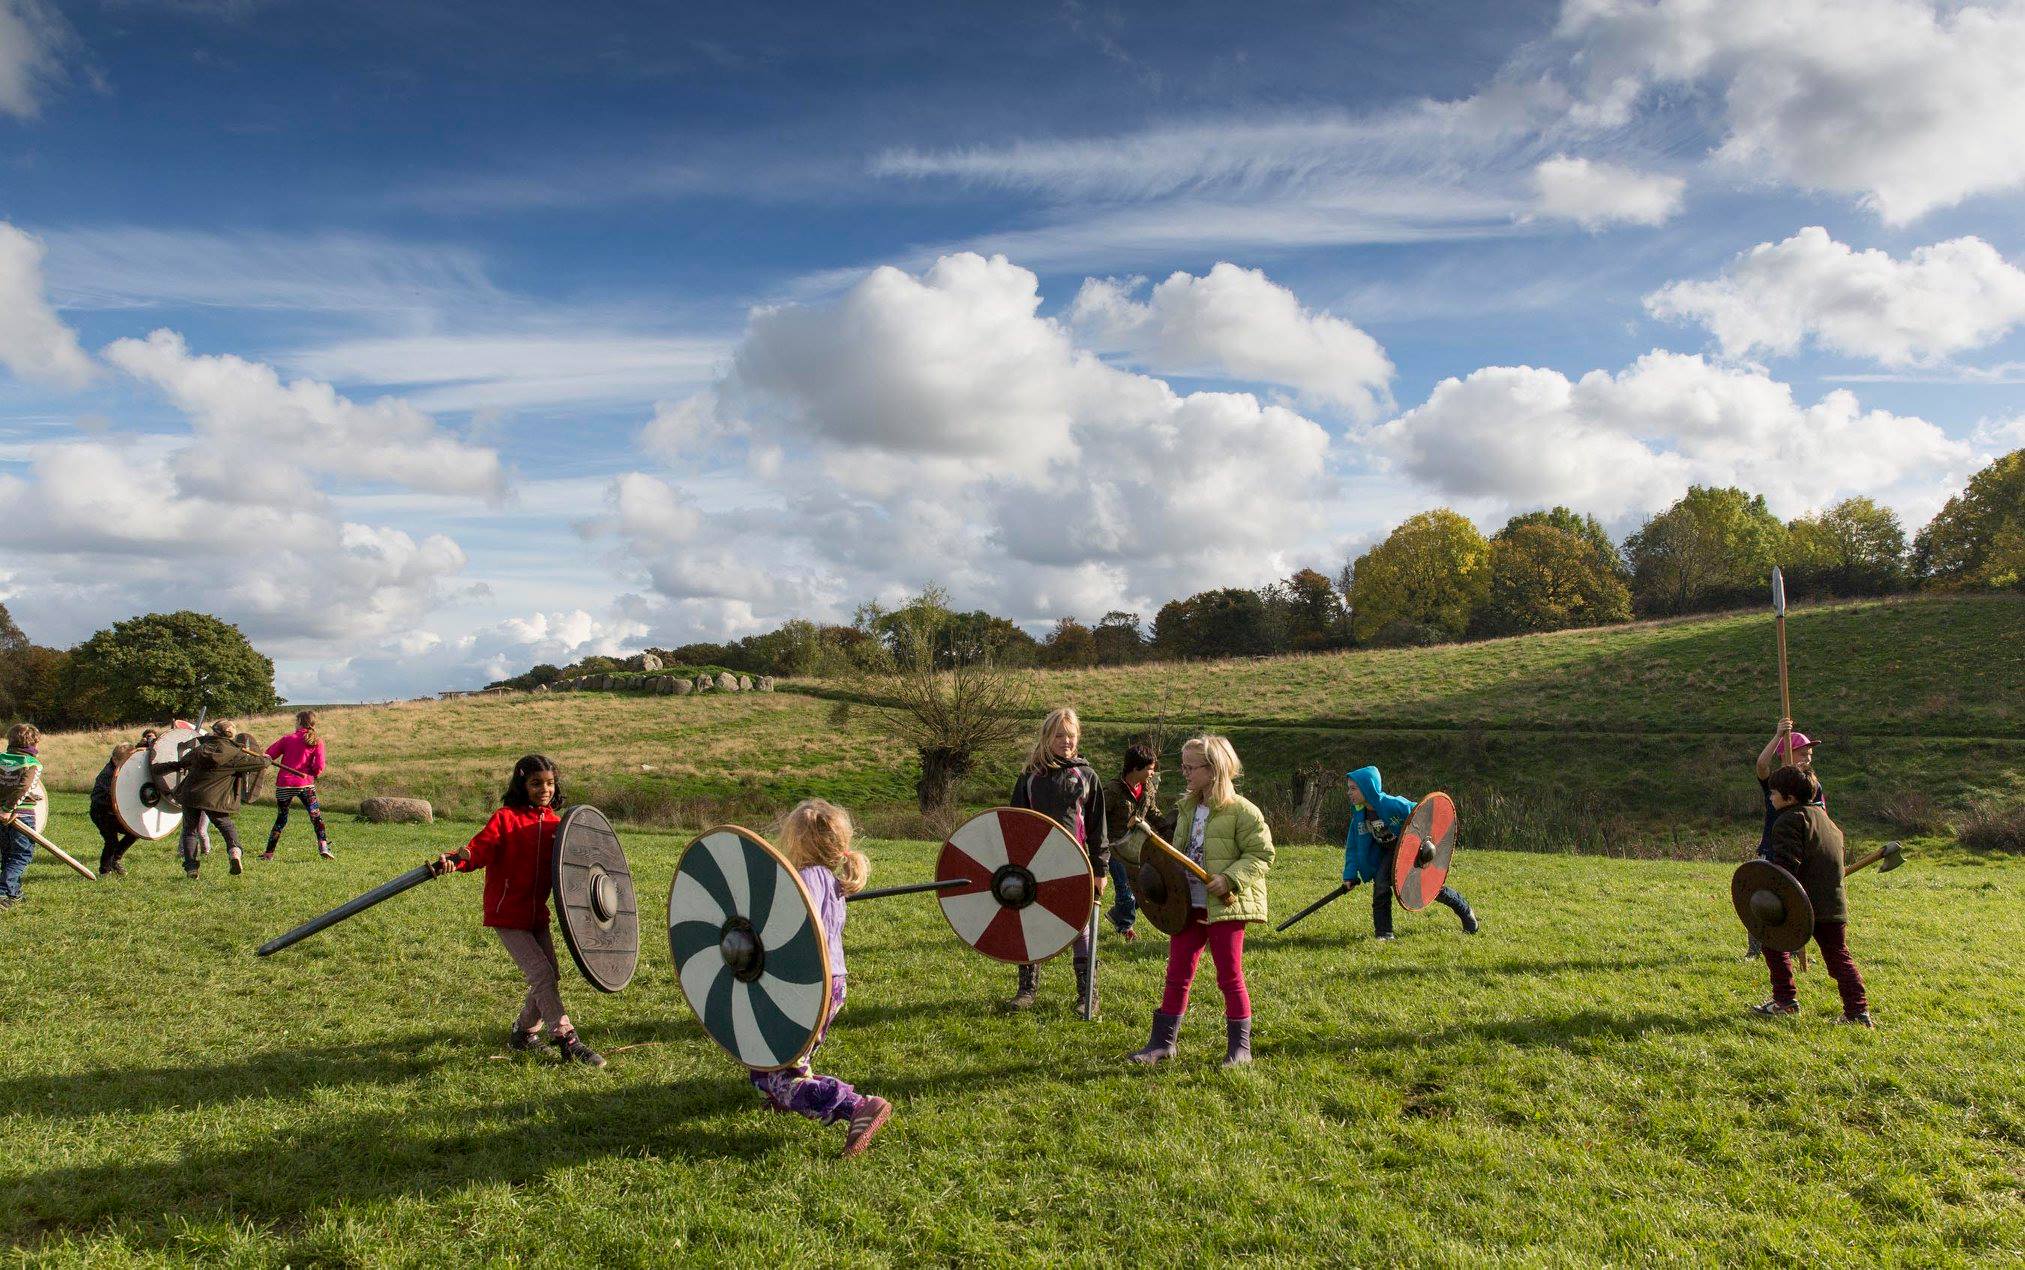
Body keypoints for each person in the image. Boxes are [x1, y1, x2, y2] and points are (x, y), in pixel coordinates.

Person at [430, 755, 605, 1067]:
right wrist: (454, 860)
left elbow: (575, 867)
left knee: (550, 975)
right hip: (508, 915)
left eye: (550, 783)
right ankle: (567, 1039)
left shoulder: (557, 826)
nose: (544, 789)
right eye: (536, 783)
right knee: (541, 974)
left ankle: (523, 1033)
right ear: (522, 785)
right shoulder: (506, 819)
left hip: (537, 915)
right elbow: (479, 849)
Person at [749, 798, 893, 1157]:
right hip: (833, 983)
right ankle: (786, 1093)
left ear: (795, 841)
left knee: (773, 1072)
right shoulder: (831, 880)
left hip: (806, 985)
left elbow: (797, 933)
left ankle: (856, 1106)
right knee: (787, 1054)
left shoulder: (808, 879)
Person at [1129, 734, 1273, 1068]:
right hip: (1187, 906)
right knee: (1177, 972)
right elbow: (1177, 855)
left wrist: (1230, 878)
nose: (1185, 772)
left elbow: (1261, 854)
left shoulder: (1244, 812)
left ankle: (1240, 1049)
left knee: (1229, 975)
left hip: (1224, 905)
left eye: (1191, 767)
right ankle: (1162, 1044)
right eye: (1184, 766)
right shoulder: (1188, 807)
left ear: (1214, 769)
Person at [1751, 766, 1873, 1027]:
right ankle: (1858, 1012)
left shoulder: (1788, 820)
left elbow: (1785, 869)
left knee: (1772, 940)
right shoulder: (1827, 821)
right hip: (1833, 902)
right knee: (1838, 955)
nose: (1770, 797)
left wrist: (1771, 899)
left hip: (1804, 903)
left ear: (1790, 798)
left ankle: (1785, 1001)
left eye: (1773, 793)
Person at [1007, 707, 1108, 1012]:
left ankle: (1087, 994)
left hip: (1075, 863)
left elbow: (1096, 827)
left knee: (1080, 927)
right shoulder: (1029, 777)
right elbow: (1014, 823)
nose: (1066, 741)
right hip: (1033, 866)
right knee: (1031, 923)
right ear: (1047, 737)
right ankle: (1027, 990)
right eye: (1060, 735)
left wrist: (1100, 869)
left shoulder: (1086, 776)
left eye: (1071, 735)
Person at [1345, 766, 1477, 940]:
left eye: (1353, 788)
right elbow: (1353, 847)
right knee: (1381, 885)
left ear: (1368, 787)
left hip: (1411, 850)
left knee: (1428, 887)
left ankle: (1465, 911)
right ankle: (1384, 933)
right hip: (1388, 853)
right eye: (1349, 788)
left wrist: (1425, 845)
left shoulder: (1392, 804)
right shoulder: (1359, 816)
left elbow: (1420, 812)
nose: (1349, 793)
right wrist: (1350, 875)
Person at [1745, 718, 1826, 957]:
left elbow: (1821, 817)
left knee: (1795, 901)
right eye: (1802, 754)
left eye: (1809, 755)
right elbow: (1761, 764)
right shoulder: (1777, 784)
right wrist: (1779, 735)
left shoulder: (1812, 786)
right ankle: (1755, 950)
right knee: (1762, 899)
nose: (1807, 759)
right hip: (1772, 850)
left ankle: (1793, 948)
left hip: (1800, 853)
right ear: (1785, 755)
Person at [155, 723, 270, 878]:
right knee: (225, 825)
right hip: (215, 799)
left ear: (215, 733)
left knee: (190, 830)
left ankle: (191, 867)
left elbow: (180, 764)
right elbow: (260, 763)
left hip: (191, 795)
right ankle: (234, 853)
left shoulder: (200, 750)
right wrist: (267, 760)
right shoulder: (236, 755)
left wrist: (157, 768)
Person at [1101, 743, 1172, 942]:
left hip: (1138, 847)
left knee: (1143, 889)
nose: (1152, 773)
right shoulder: (1112, 790)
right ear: (1135, 768)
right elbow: (1099, 819)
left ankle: (1117, 914)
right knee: (1125, 889)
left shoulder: (1147, 787)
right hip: (1116, 850)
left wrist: (1168, 829)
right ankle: (1125, 927)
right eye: (1150, 768)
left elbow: (1152, 811)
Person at [263, 709, 332, 860]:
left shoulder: (288, 739)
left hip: (284, 784)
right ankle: (324, 846)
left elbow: (268, 755)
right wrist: (312, 773)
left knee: (281, 818)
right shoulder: (317, 741)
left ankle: (269, 853)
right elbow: (319, 766)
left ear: (300, 722)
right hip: (305, 784)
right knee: (316, 816)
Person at [0, 723, 46, 908]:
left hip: (2, 816)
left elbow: (12, 787)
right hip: (21, 815)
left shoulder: (1, 759)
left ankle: (14, 892)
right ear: (34, 743)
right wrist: (7, 808)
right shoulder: (32, 763)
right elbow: (22, 787)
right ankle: (2, 891)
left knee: (7, 854)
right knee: (21, 856)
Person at [90, 742, 140, 876]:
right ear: (115, 759)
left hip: (116, 813)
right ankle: (105, 870)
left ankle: (115, 859)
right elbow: (103, 797)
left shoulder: (127, 770)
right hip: (102, 813)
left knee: (135, 831)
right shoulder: (107, 774)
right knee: (111, 841)